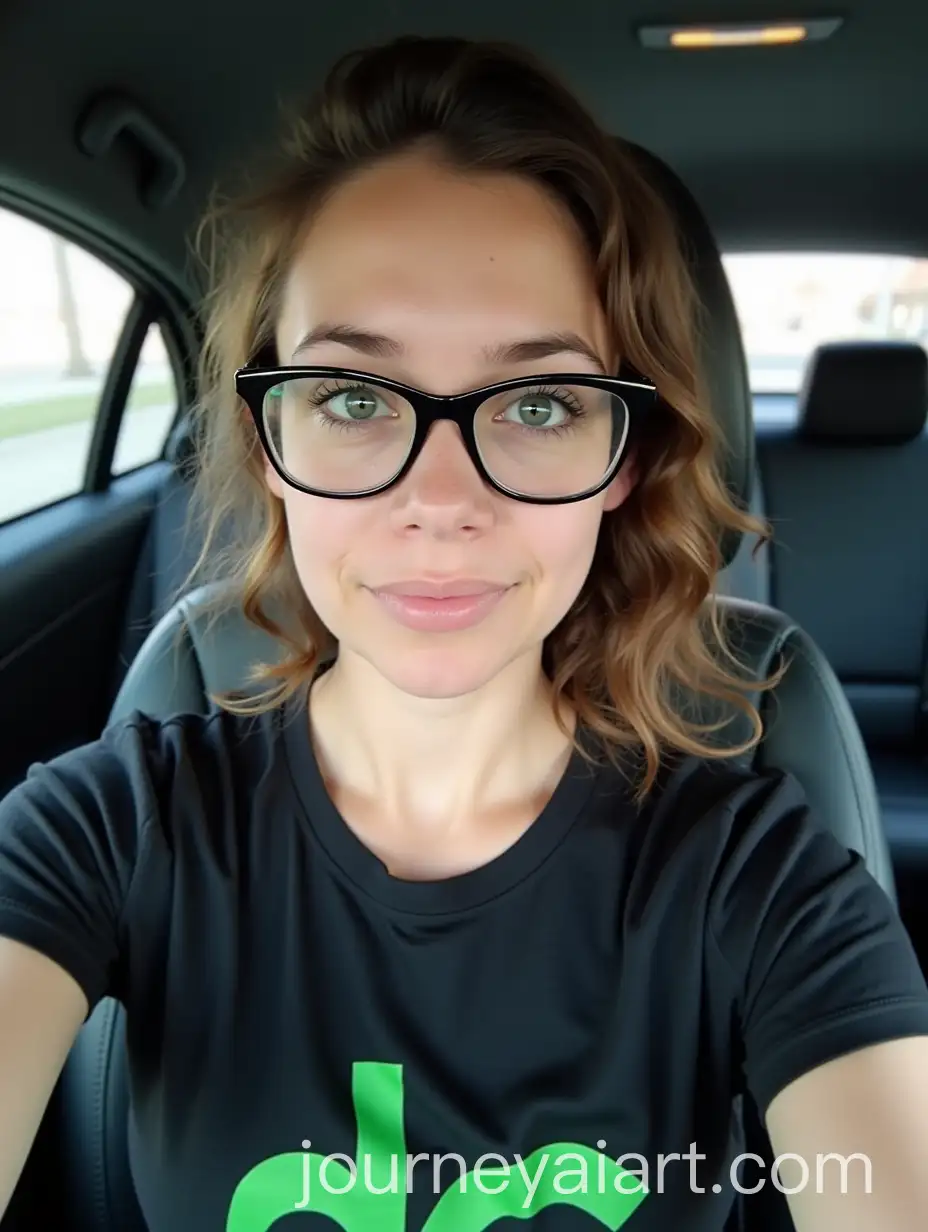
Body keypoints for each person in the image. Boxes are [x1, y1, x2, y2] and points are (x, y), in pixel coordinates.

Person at [1, 34, 927, 1232]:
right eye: (352, 397)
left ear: (623, 461)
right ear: (270, 447)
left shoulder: (760, 883)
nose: (439, 500)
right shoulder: (106, 829)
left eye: (540, 403)